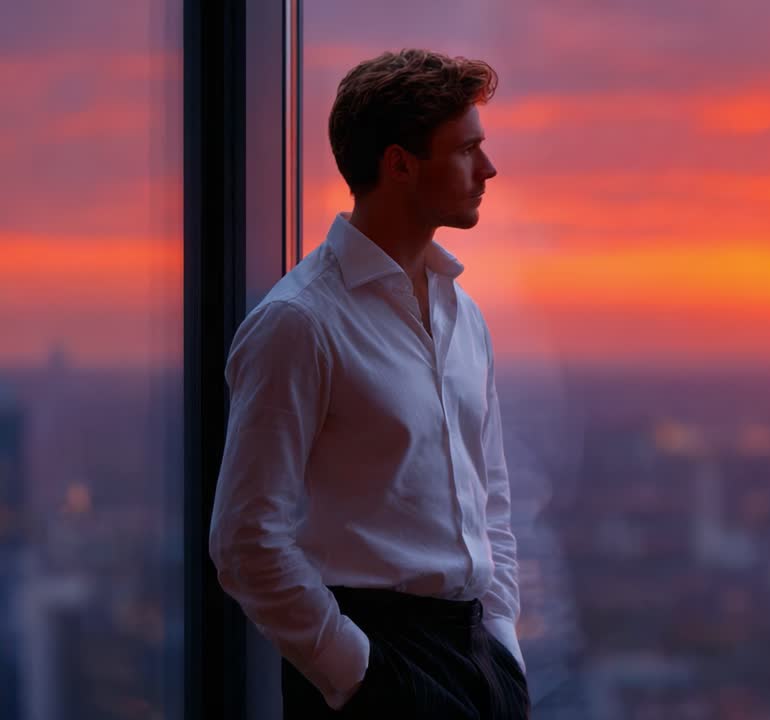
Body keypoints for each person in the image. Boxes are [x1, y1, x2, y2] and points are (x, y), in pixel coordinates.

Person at [208, 48, 528, 718]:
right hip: (378, 665)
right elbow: (244, 537)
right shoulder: (299, 322)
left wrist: (500, 643)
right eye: (468, 149)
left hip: (474, 662)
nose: (489, 169)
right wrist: (358, 676)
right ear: (400, 163)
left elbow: (488, 496)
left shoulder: (461, 312)